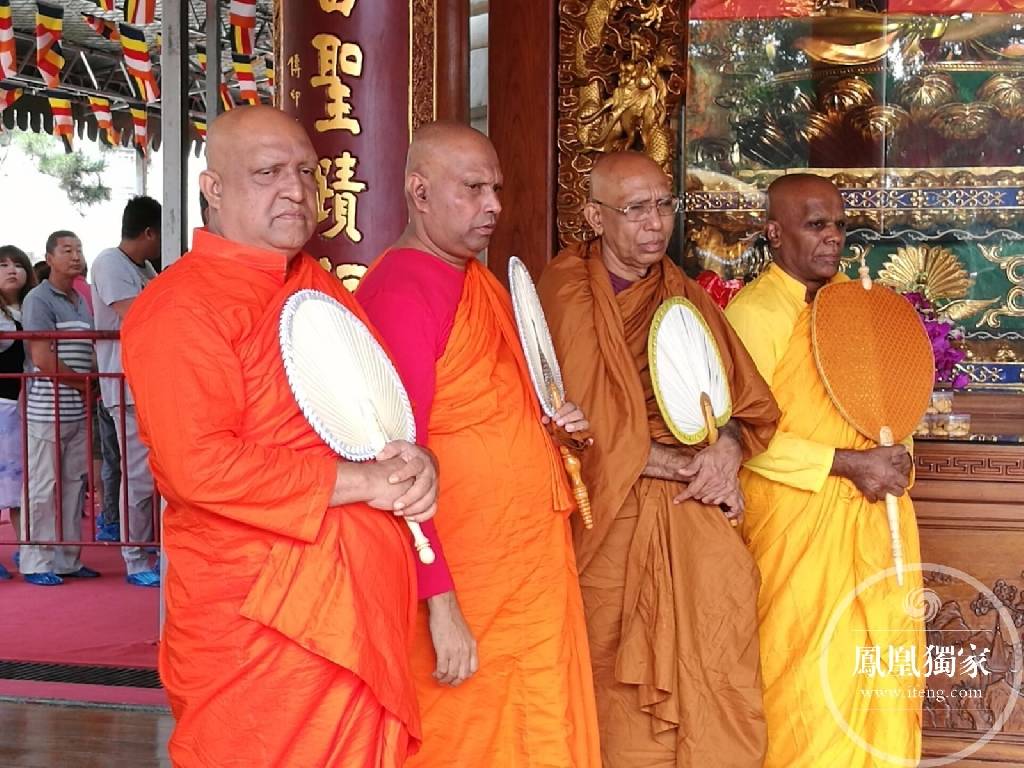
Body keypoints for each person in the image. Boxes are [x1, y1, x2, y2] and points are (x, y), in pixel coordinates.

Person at [120, 106, 438, 766]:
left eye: (305, 172)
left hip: (358, 611)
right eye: (267, 173)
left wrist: (415, 462)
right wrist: (365, 482)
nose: (295, 189)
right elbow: (199, 466)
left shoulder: (316, 287)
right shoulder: (181, 306)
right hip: (264, 625)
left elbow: (372, 416)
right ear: (213, 190)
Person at [356, 121, 601, 767]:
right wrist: (440, 605)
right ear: (420, 192)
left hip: (521, 572)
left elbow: (495, 410)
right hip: (463, 579)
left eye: (496, 189)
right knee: (467, 737)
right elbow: (395, 463)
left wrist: (552, 425)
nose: (492, 204)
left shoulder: (479, 283)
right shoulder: (400, 290)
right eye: (472, 188)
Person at [536, 151, 780, 767]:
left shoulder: (683, 293)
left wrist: (725, 451)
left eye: (664, 205)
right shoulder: (565, 293)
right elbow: (572, 423)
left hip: (693, 511)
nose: (655, 223)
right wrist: (678, 466)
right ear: (596, 216)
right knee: (615, 687)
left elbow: (742, 403)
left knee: (719, 653)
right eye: (635, 209)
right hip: (612, 514)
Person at [724, 174, 923, 767]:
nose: (833, 237)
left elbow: (890, 406)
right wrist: (847, 464)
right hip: (796, 528)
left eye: (839, 225)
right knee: (805, 684)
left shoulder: (860, 307)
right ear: (774, 233)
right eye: (816, 225)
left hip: (874, 521)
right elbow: (742, 436)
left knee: (879, 674)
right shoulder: (755, 314)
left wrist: (896, 459)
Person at [19, 231, 100, 586]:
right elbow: (41, 357)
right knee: (43, 485)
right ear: (49, 258)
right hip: (46, 410)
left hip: (76, 410)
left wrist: (91, 381)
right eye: (67, 250)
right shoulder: (38, 299)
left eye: (79, 249)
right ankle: (36, 560)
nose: (76, 256)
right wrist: (83, 383)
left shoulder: (81, 300)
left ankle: (67, 558)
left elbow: (87, 351)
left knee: (72, 484)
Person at [91, 195, 162, 586]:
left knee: (156, 475)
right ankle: (134, 556)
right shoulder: (108, 262)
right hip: (125, 386)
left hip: (150, 383)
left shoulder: (145, 266)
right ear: (149, 232)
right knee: (136, 475)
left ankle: (152, 546)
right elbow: (139, 314)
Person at [0, 245, 37, 579]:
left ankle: (29, 551)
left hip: (31, 405)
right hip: (4, 408)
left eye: (17, 264)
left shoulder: (34, 306)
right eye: (3, 265)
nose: (12, 270)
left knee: (24, 486)